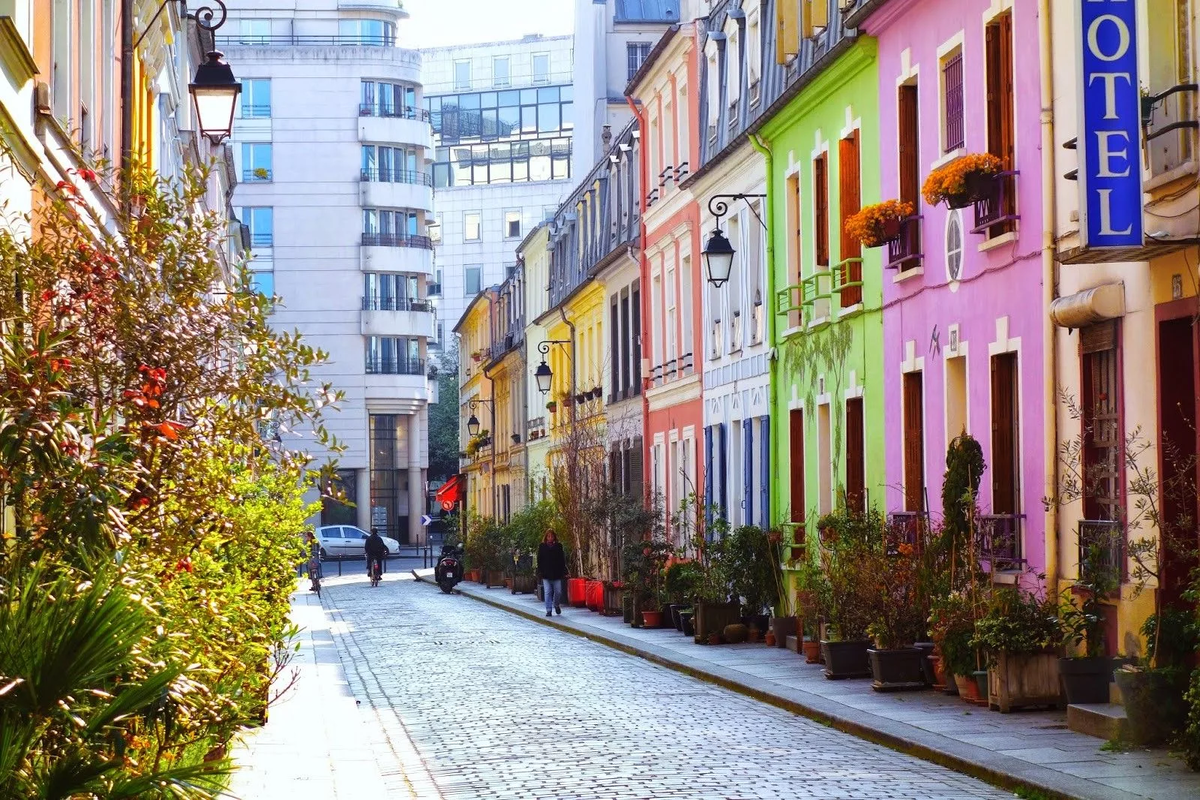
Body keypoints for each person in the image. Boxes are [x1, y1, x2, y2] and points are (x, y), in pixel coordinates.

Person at [537, 529, 567, 617]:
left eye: (551, 536)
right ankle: (548, 610)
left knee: (558, 591)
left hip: (556, 573)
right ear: (546, 537)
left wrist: (563, 571)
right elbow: (540, 560)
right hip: (546, 574)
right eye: (548, 536)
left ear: (554, 537)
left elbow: (562, 560)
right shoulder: (542, 546)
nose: (550, 538)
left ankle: (556, 604)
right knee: (547, 592)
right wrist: (540, 571)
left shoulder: (558, 546)